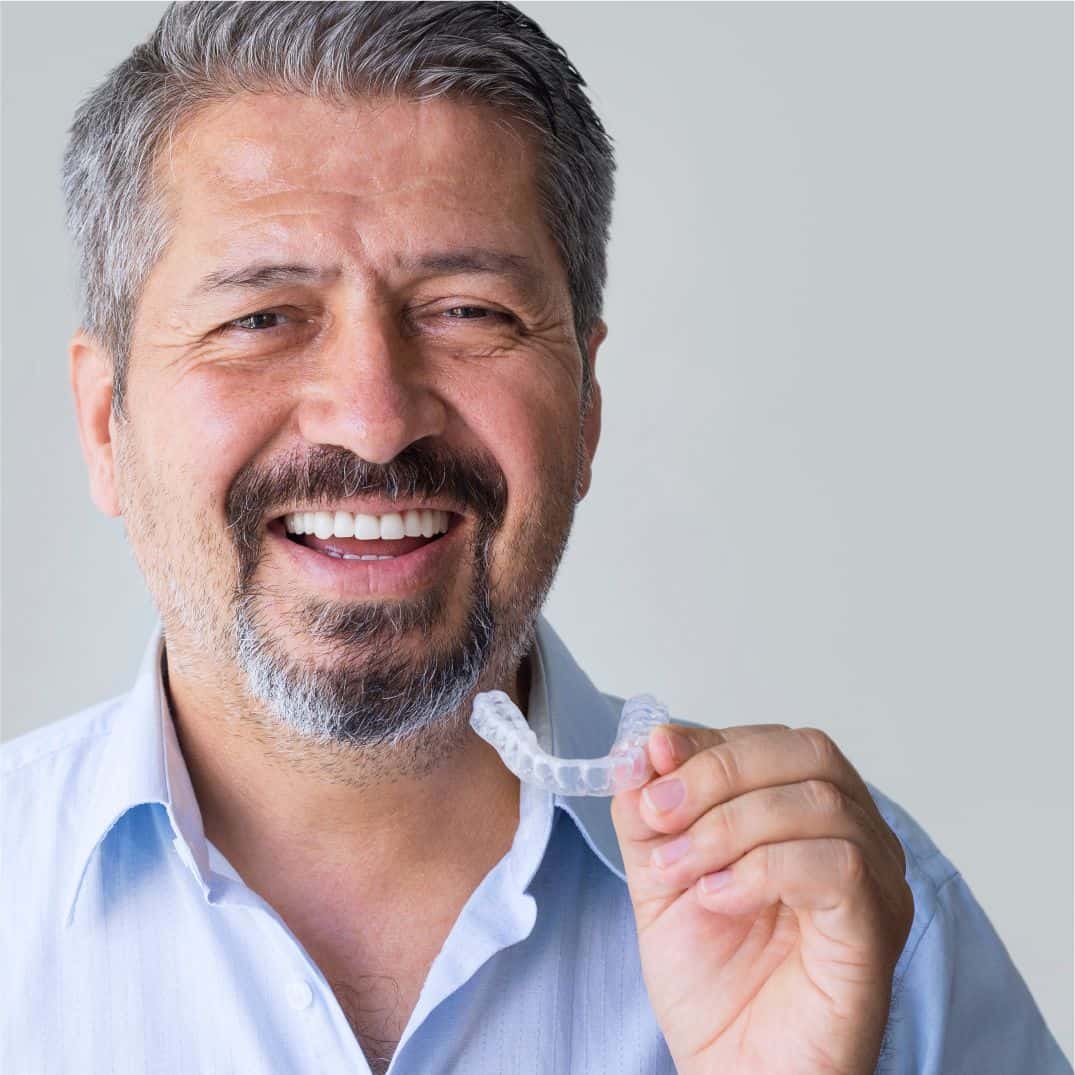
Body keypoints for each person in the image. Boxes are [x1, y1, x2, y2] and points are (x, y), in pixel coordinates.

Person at [2, 4, 1068, 1073]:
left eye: (467, 311)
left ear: (586, 405)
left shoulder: (868, 924)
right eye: (260, 317)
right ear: (107, 423)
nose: (374, 419)